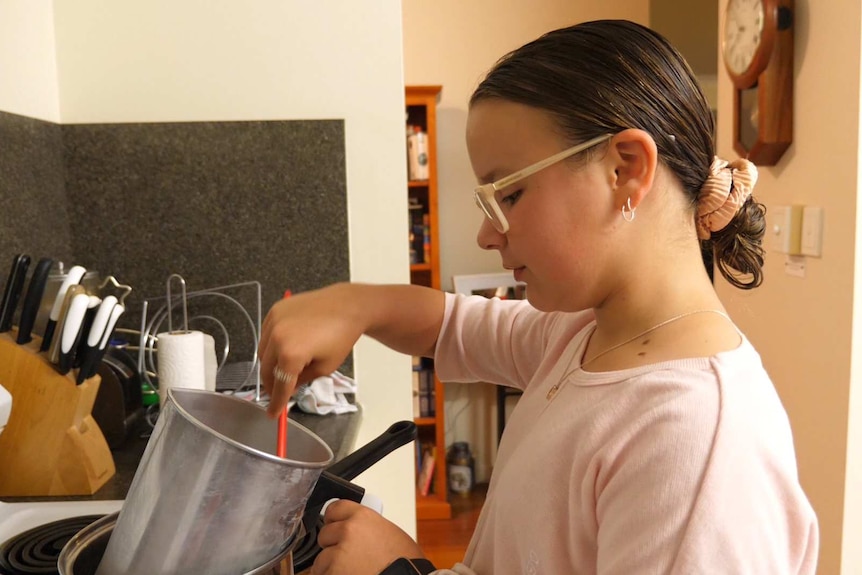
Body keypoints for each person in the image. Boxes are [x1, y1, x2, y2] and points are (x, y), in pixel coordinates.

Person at [258, 19, 819, 575]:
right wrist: (351, 303)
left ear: (625, 168)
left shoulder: (697, 442)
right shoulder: (585, 334)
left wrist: (404, 572)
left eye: (510, 193)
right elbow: (449, 324)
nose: (486, 233)